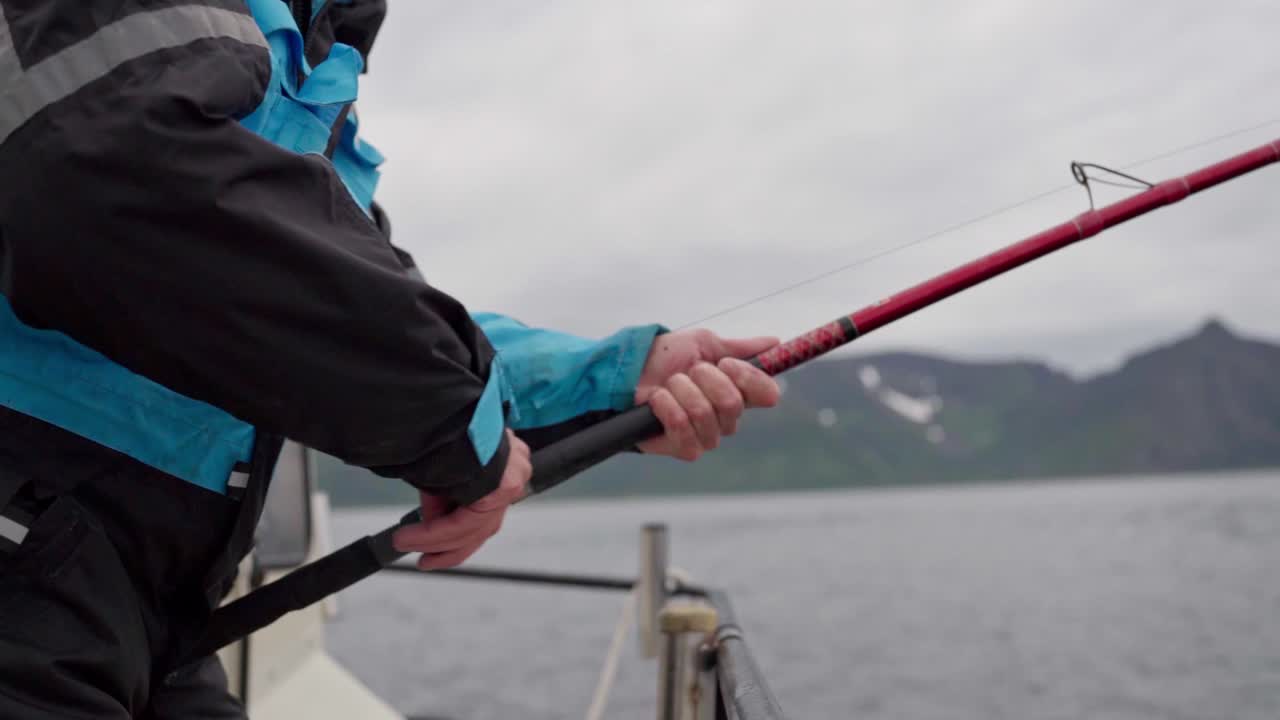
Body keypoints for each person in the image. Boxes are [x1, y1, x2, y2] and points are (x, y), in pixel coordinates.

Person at [0, 1, 781, 718]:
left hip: (152, 605)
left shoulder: (309, 66)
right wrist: (457, 430)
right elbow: (111, 166)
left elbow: (372, 306)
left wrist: (617, 380)